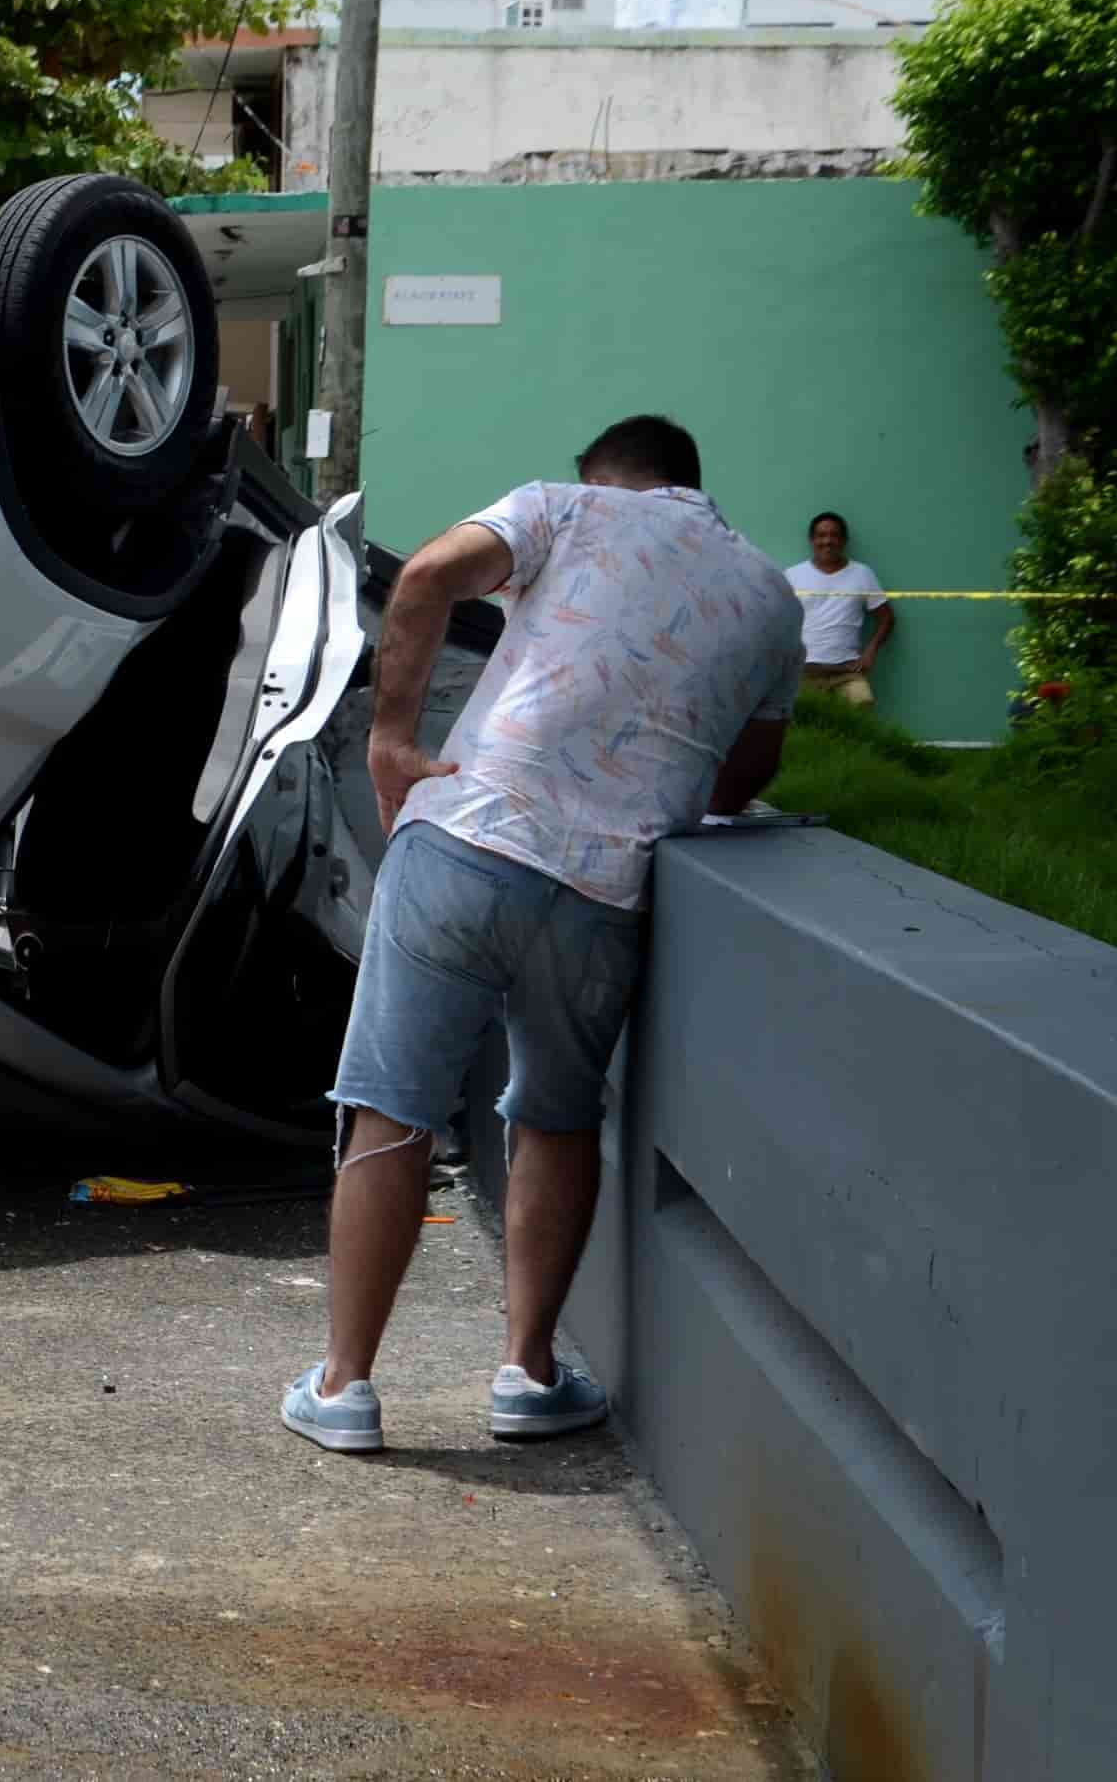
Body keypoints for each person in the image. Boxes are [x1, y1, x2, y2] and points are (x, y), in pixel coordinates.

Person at [282, 415, 801, 1455]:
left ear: (603, 475)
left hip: (468, 836)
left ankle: (346, 1387)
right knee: (558, 1115)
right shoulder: (772, 596)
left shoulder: (562, 506)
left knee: (392, 1107)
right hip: (605, 886)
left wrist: (391, 739)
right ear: (691, 487)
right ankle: (526, 1372)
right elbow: (745, 774)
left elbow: (426, 575)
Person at [785, 512, 894, 709]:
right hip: (803, 672)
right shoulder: (793, 575)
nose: (827, 541)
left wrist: (870, 651)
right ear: (812, 540)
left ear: (843, 540)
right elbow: (777, 620)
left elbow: (886, 618)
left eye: (834, 535)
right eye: (821, 535)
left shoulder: (862, 574)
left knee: (862, 707)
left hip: (847, 672)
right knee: (801, 726)